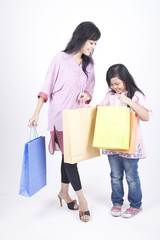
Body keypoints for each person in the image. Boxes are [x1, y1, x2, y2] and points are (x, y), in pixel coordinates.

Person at [28, 21, 101, 222]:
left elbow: (91, 89)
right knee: (70, 159)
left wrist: (86, 95)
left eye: (95, 44)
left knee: (69, 157)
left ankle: (63, 192)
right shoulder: (60, 59)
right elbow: (46, 86)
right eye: (91, 42)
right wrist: (36, 113)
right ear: (81, 37)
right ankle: (82, 199)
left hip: (77, 119)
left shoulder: (89, 65)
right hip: (59, 117)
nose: (93, 47)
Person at [98, 64, 152, 218]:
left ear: (125, 80)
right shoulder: (110, 96)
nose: (114, 87)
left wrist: (129, 101)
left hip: (130, 143)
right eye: (111, 84)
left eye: (117, 83)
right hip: (112, 143)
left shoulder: (136, 95)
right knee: (115, 175)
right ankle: (117, 202)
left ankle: (135, 205)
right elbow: (100, 111)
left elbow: (146, 116)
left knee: (131, 176)